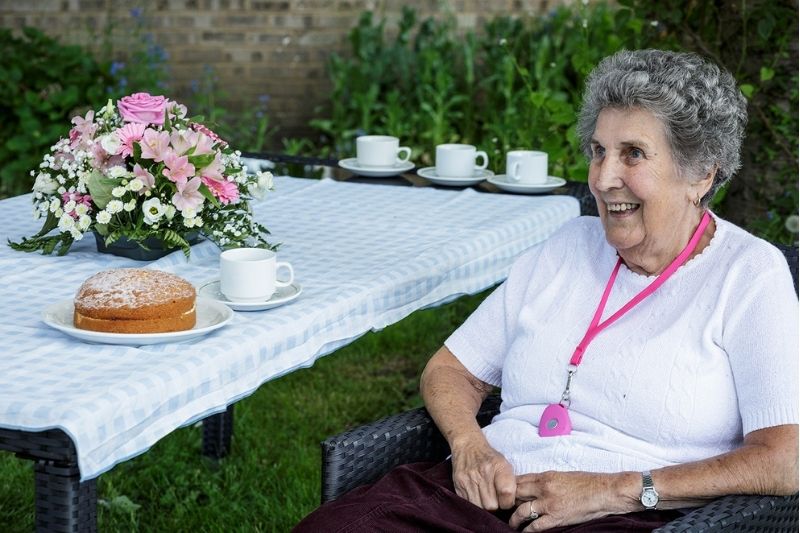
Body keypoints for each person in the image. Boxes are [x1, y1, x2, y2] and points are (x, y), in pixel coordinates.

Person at [294, 49, 799, 532]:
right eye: (598, 151)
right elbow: (451, 369)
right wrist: (470, 445)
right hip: (478, 496)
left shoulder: (748, 275)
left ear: (700, 174)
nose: (603, 179)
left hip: (622, 516)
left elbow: (784, 460)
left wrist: (615, 490)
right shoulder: (567, 246)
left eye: (633, 155)